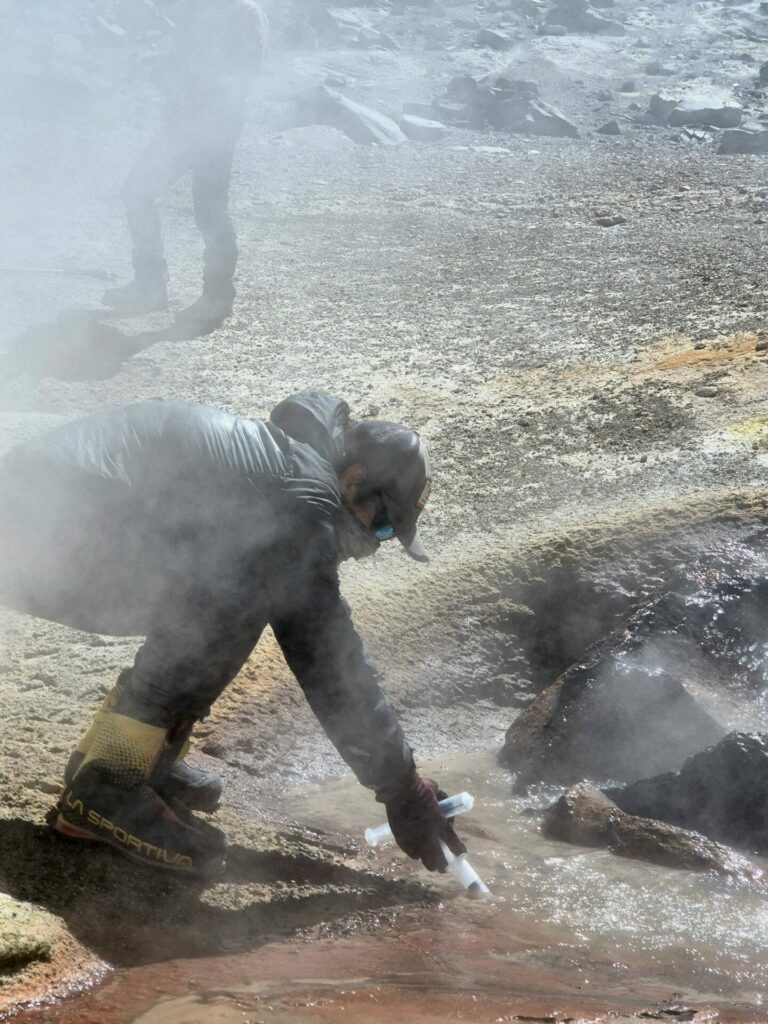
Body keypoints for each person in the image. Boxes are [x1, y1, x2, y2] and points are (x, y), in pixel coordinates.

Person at [0, 392, 465, 875]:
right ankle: (109, 786)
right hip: (36, 537)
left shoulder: (290, 469)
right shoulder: (302, 505)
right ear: (353, 482)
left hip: (47, 519)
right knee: (237, 594)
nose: (377, 543)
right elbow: (329, 660)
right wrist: (402, 787)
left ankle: (132, 760)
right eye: (386, 526)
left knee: (242, 580)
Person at [103, 0, 269, 335]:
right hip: (181, 124)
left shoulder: (244, 13)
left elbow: (241, 76)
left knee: (210, 211)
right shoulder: (198, 10)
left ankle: (218, 295)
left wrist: (201, 95)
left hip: (215, 126)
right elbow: (182, 63)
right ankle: (150, 284)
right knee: (137, 191)